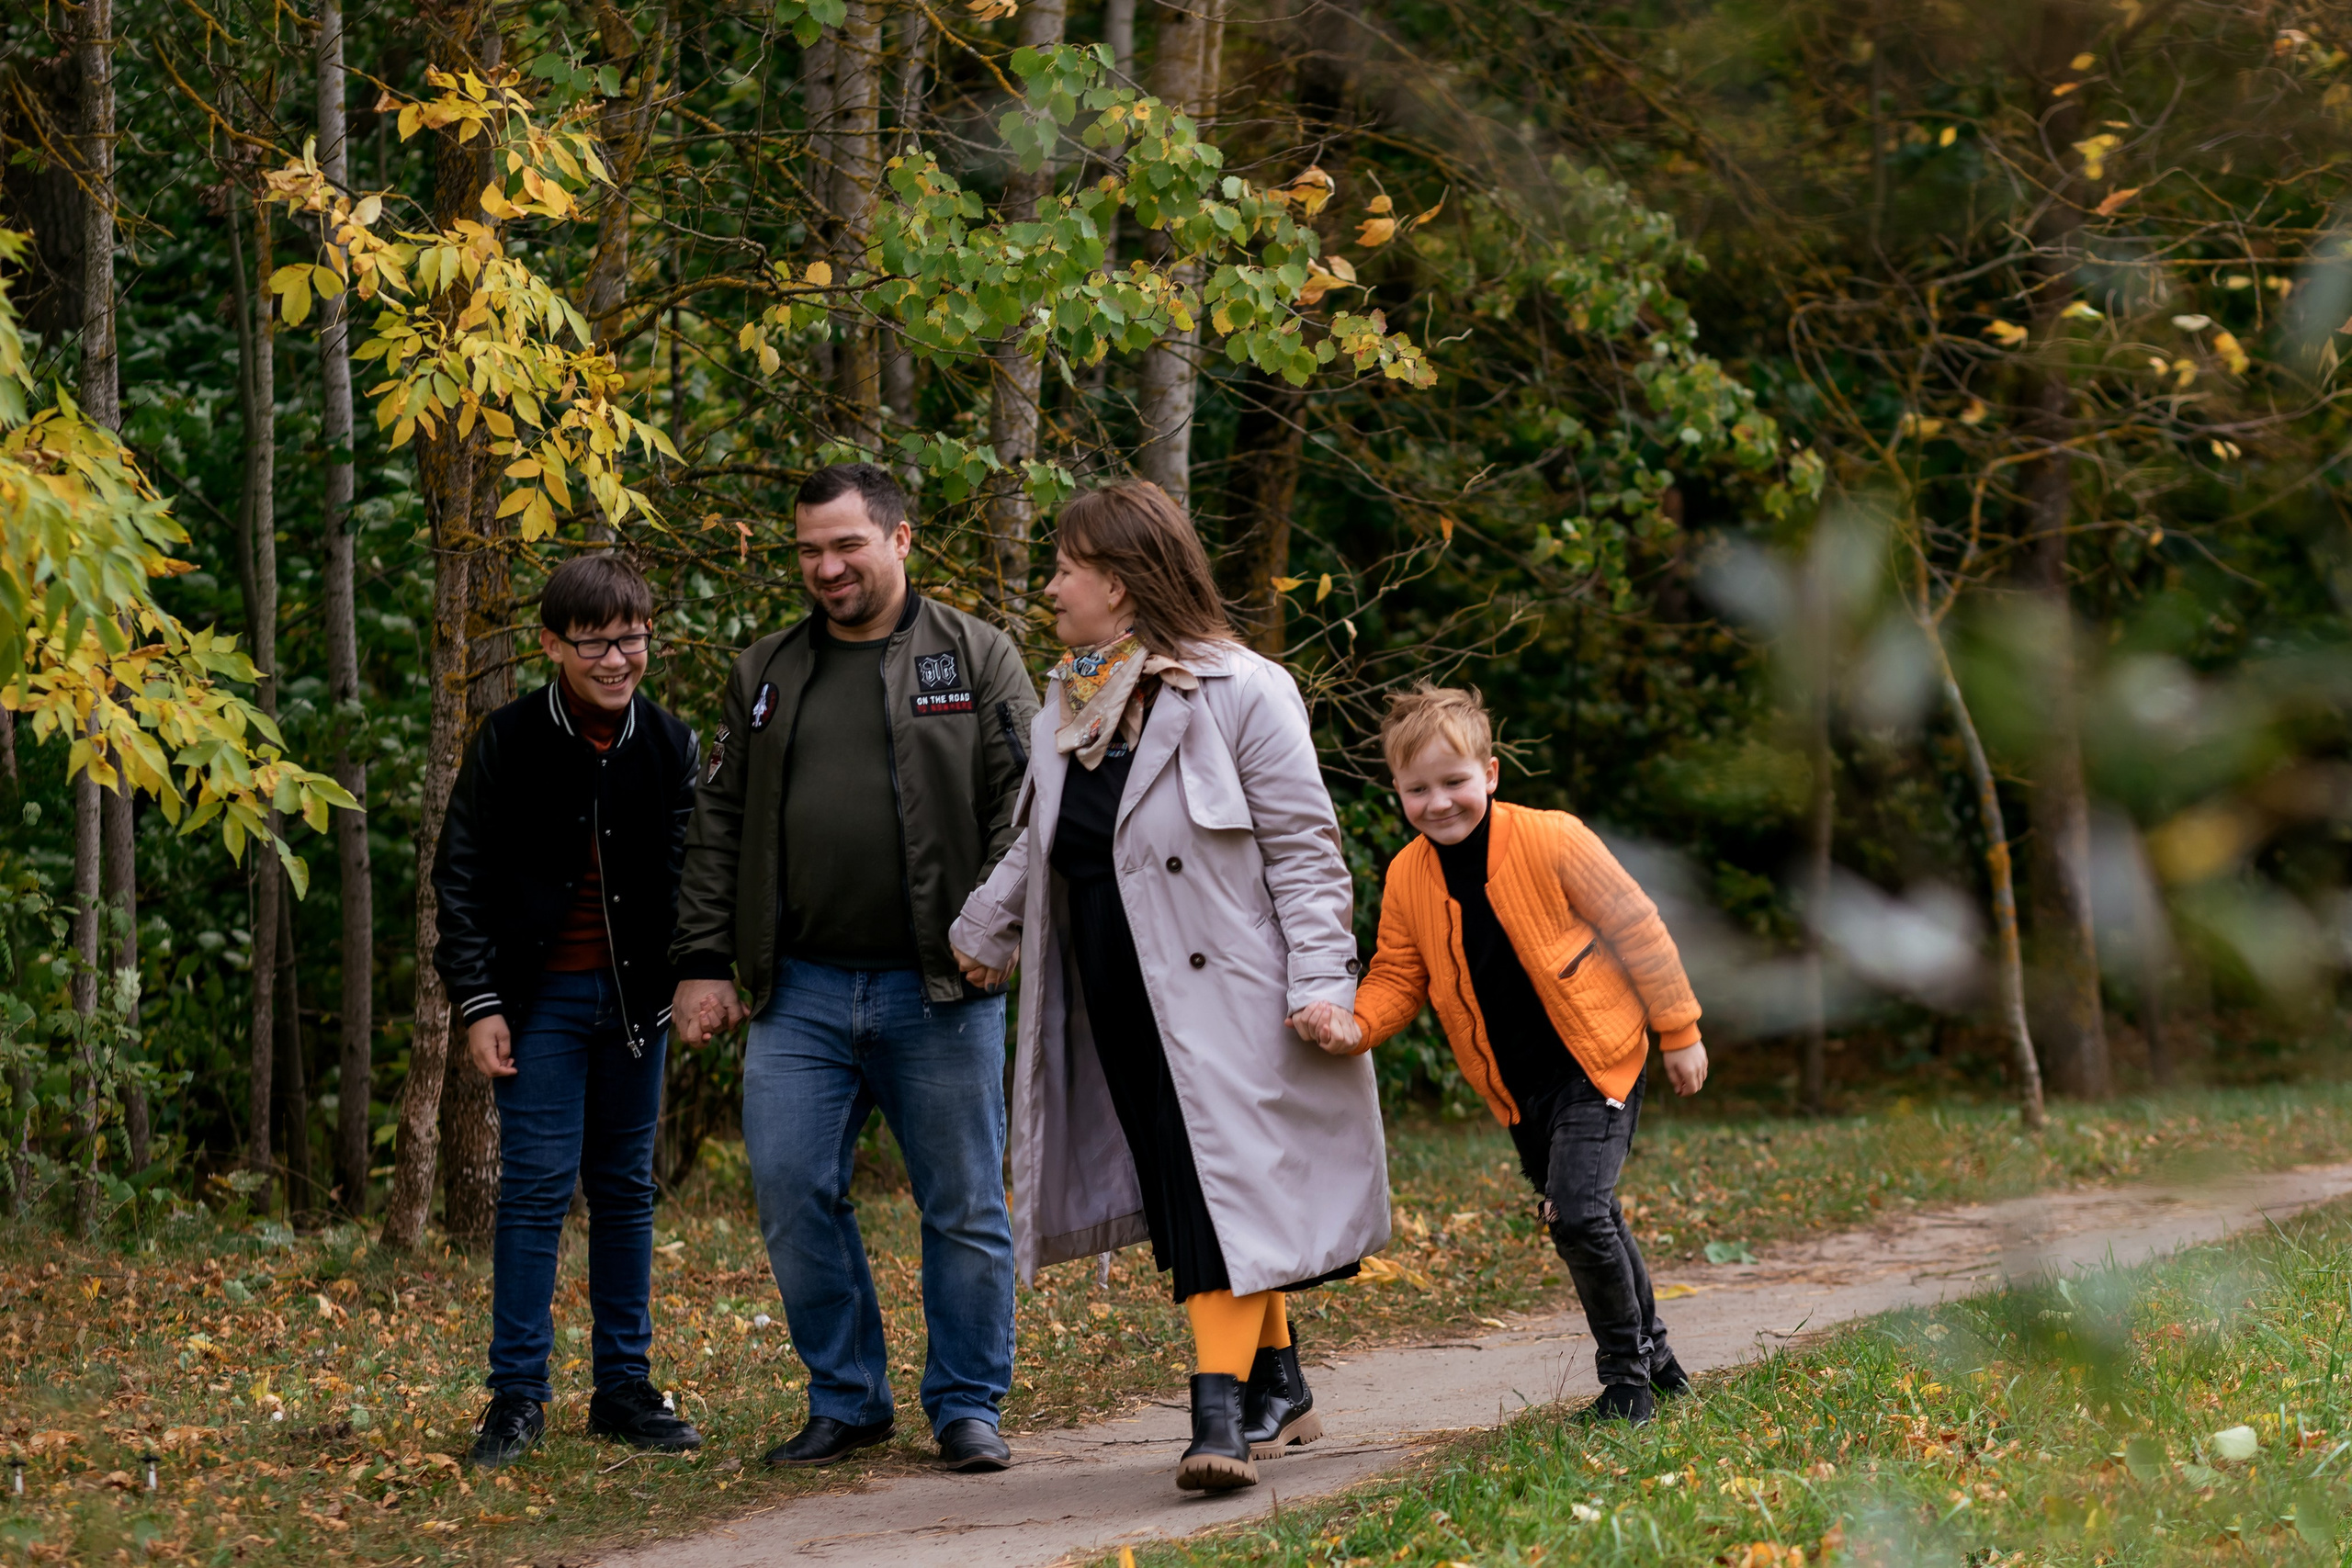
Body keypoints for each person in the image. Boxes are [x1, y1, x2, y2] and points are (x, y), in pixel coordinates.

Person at [949, 480, 1387, 1495]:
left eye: (1065, 568)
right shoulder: (1073, 693)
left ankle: (1218, 1420)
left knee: (1206, 1188)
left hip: (1227, 997)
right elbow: (1043, 839)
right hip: (1115, 985)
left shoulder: (1242, 689)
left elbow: (1307, 852)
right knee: (1195, 1186)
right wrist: (986, 929)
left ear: (1121, 579)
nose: (1050, 587)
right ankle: (1280, 1383)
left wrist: (1323, 980)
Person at [668, 463, 1037, 1473]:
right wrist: (702, 960)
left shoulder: (977, 655)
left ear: (900, 539)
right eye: (808, 550)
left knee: (962, 1202)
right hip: (801, 989)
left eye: (845, 546)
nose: (825, 567)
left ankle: (966, 1405)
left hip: (943, 989)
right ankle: (847, 1398)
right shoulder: (769, 671)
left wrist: (997, 933)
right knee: (790, 1189)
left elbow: (1026, 810)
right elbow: (720, 826)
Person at [1296, 683, 1708, 1426]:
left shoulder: (1552, 838)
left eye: (1454, 782)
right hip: (1521, 1088)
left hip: (1598, 1055)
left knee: (1579, 1215)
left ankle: (1627, 1385)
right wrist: (1352, 1026)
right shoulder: (1407, 875)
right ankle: (1660, 1362)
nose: (1438, 802)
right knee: (1592, 1215)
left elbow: (1637, 926)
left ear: (1489, 773)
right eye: (1417, 789)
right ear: (1397, 791)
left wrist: (1679, 1030)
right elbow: (1398, 974)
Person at [433, 553, 705, 1469]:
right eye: (594, 642)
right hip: (538, 1000)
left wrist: (700, 974)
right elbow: (460, 875)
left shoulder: (669, 744)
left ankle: (623, 1386)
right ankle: (516, 1398)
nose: (617, 659)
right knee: (537, 1193)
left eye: (632, 639)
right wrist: (477, 1003)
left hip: (637, 1004)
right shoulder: (509, 740)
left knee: (625, 1191)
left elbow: (694, 877)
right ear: (552, 644)